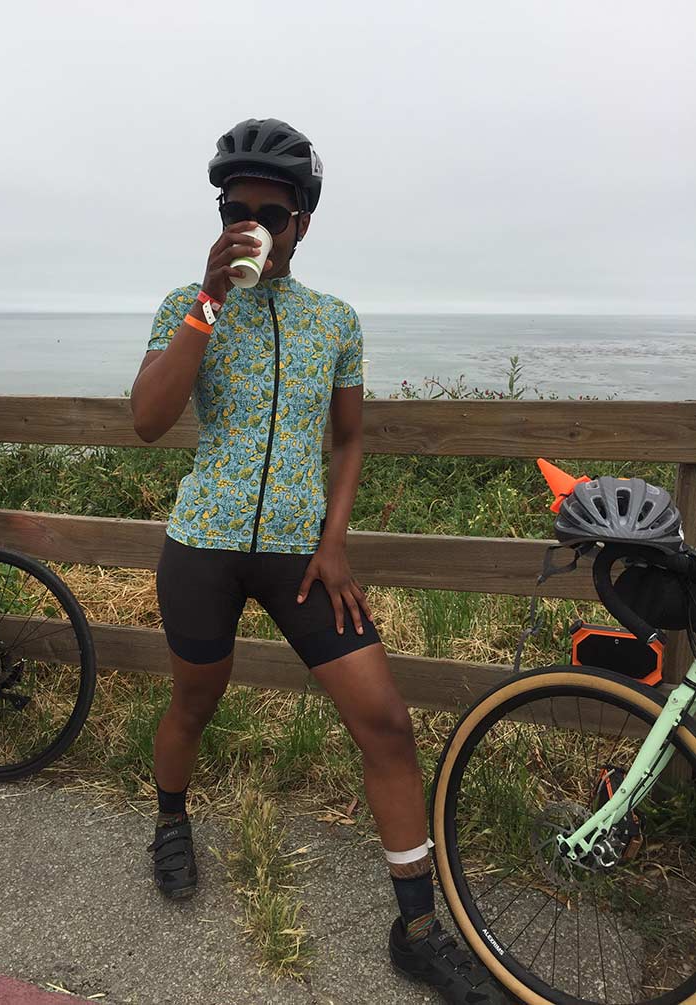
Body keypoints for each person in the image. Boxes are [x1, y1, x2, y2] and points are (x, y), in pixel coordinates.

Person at [130, 117, 506, 1003]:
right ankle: (170, 820)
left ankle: (416, 926)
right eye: (235, 208)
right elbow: (147, 420)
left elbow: (349, 441)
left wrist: (335, 542)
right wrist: (209, 303)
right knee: (194, 700)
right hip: (202, 547)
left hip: (302, 558)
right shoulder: (187, 300)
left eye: (272, 211)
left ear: (304, 221)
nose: (253, 222)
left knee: (385, 720)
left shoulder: (334, 320)